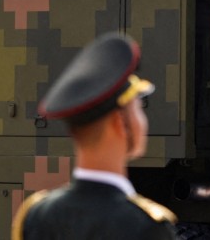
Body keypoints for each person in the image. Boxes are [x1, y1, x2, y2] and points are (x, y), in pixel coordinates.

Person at [11, 32, 177, 240]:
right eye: (138, 108)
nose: (143, 120)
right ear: (120, 124)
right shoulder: (146, 227)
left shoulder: (35, 215)